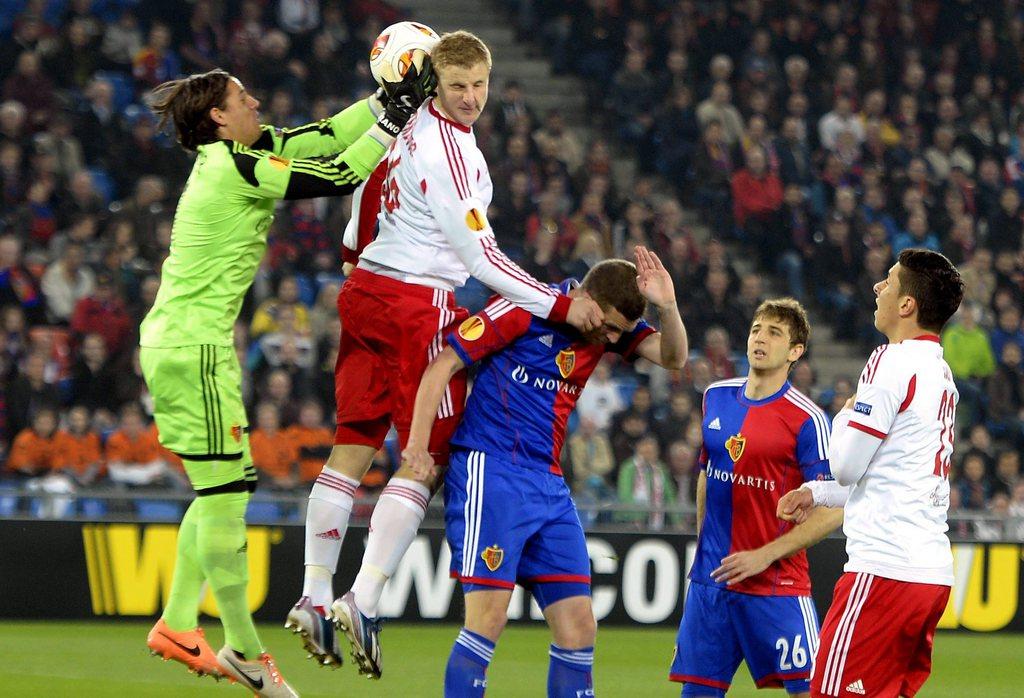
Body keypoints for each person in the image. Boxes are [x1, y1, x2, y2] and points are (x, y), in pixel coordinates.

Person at [288, 30, 604, 675]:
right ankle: (363, 598)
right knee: (425, 458)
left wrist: (358, 269)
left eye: (478, 85)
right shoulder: (453, 153)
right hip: (415, 304)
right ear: (435, 82)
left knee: (351, 444)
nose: (469, 98)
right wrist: (559, 303)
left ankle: (313, 595)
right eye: (456, 85)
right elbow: (480, 261)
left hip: (364, 289)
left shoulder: (396, 125)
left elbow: (359, 212)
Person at [138, 60, 435, 696]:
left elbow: (326, 135)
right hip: (195, 346)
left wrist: (383, 95)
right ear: (218, 117)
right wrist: (396, 118)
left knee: (220, 487)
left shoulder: (246, 152)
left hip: (185, 342)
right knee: (224, 497)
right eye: (243, 97)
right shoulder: (233, 165)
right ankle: (243, 649)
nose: (256, 103)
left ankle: (180, 620)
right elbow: (336, 173)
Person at [402, 250, 687, 697]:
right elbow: (444, 363)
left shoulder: (605, 330)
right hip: (490, 468)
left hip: (548, 484)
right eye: (609, 325)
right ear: (587, 297)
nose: (611, 338)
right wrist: (417, 444)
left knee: (579, 626)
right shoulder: (523, 304)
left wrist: (668, 308)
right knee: (489, 619)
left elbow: (673, 358)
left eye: (620, 333)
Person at [778, 248, 965, 698]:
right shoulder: (941, 376)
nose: (878, 288)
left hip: (883, 574)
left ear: (907, 305)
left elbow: (845, 466)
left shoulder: (892, 360)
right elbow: (890, 480)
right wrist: (816, 493)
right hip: (929, 578)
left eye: (888, 280)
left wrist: (842, 417)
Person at [670, 298, 842, 698]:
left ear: (795, 352)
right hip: (712, 583)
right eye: (756, 330)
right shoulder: (715, 395)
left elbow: (833, 509)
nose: (760, 339)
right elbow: (706, 471)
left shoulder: (809, 419)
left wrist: (765, 554)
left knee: (810, 692)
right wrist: (705, 544)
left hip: (776, 585)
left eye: (774, 333)